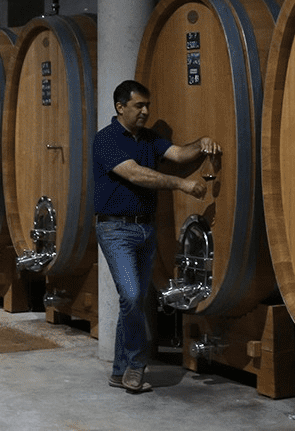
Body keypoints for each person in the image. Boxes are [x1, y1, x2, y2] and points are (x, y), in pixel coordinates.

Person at [92, 79, 221, 393]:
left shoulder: (150, 138)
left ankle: (119, 370)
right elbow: (135, 173)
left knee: (132, 300)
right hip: (116, 229)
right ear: (120, 107)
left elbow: (178, 154)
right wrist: (181, 185)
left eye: (147, 105)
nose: (145, 111)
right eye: (139, 105)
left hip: (145, 228)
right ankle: (136, 365)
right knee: (132, 295)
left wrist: (201, 143)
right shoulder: (106, 139)